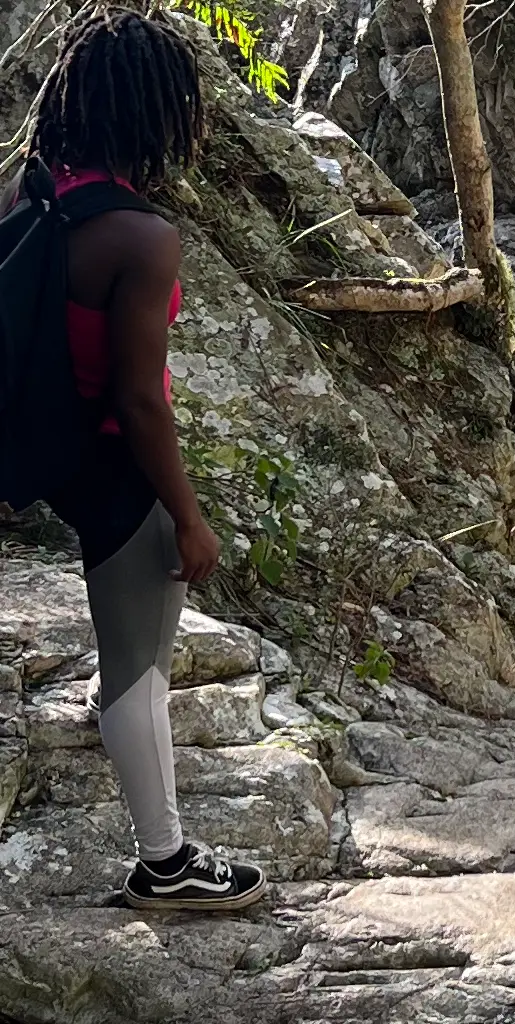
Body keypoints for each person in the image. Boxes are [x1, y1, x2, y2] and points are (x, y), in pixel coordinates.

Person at [9, 8, 267, 910]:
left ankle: (102, 703)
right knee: (142, 666)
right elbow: (138, 398)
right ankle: (166, 864)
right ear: (158, 115)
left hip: (36, 439)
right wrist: (189, 519)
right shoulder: (142, 238)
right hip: (109, 460)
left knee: (123, 654)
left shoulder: (22, 192)